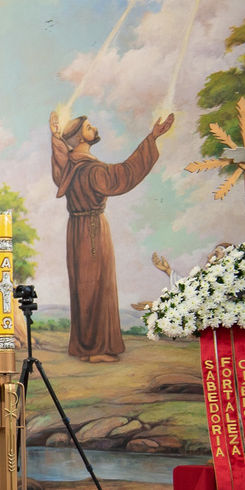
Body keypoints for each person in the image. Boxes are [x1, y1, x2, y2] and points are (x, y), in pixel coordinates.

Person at [50, 110, 173, 362]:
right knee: (96, 284)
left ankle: (85, 347)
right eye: (88, 127)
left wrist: (55, 138)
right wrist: (151, 139)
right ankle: (96, 350)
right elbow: (125, 174)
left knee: (83, 286)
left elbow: (60, 159)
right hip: (94, 230)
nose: (94, 128)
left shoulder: (70, 167)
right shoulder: (93, 170)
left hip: (75, 230)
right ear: (79, 137)